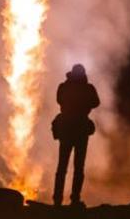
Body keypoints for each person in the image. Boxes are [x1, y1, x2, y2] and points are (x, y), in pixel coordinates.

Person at [52, 64, 100, 207]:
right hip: (80, 129)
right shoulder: (88, 88)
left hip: (67, 129)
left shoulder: (64, 86)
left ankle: (57, 200)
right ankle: (74, 199)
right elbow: (96, 102)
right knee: (78, 167)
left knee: (62, 167)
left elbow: (59, 100)